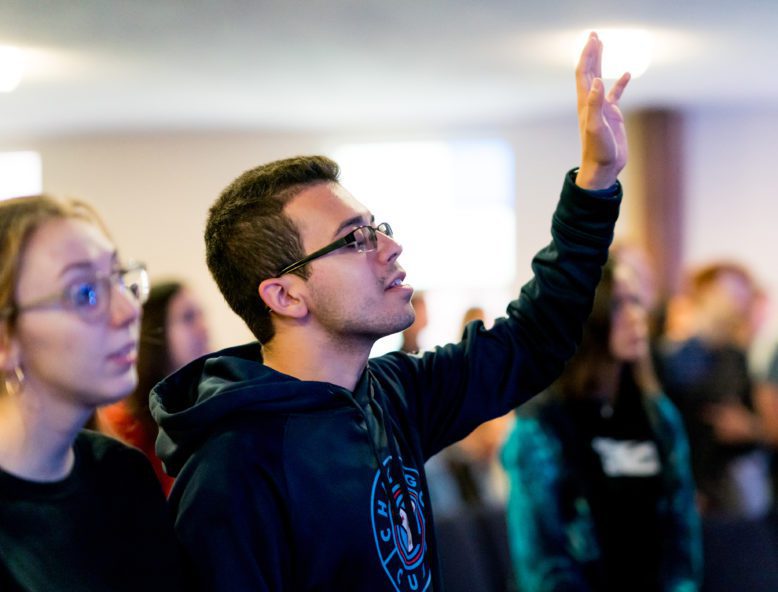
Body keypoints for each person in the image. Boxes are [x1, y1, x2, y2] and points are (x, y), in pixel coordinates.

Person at [151, 32, 629, 591]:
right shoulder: (234, 470)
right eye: (353, 240)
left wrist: (595, 184)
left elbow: (536, 338)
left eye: (377, 228)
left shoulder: (390, 393)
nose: (388, 246)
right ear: (284, 296)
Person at [0, 195, 185, 590]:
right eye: (84, 292)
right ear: (5, 340)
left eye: (119, 278)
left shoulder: (122, 474)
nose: (129, 310)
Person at [501, 257, 702, 592]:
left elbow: (682, 539)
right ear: (588, 316)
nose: (637, 318)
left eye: (636, 302)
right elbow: (542, 561)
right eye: (619, 305)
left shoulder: (659, 417)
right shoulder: (542, 425)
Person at [655, 261, 771, 518]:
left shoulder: (737, 358)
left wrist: (750, 427)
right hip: (687, 487)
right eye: (733, 288)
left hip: (729, 490)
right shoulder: (669, 358)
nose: (741, 298)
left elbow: (755, 423)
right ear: (706, 292)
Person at [97, 280, 211, 495]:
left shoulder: (215, 403)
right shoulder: (124, 426)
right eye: (188, 318)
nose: (203, 328)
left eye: (201, 315)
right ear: (156, 333)